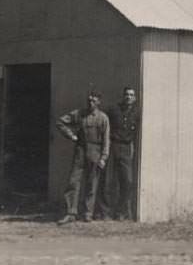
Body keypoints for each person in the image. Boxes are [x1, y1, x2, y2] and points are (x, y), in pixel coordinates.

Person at [56, 91, 110, 224]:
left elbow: (106, 139)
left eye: (93, 101)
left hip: (95, 151)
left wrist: (103, 157)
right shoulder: (79, 114)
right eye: (89, 100)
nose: (90, 103)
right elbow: (60, 122)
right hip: (81, 150)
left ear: (99, 102)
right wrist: (71, 135)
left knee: (92, 183)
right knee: (73, 181)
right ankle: (71, 212)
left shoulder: (103, 118)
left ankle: (88, 213)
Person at [98, 87, 140, 220]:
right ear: (123, 96)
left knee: (127, 181)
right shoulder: (113, 110)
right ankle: (105, 212)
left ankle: (121, 212)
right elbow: (102, 122)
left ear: (134, 98)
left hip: (127, 147)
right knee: (108, 180)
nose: (128, 97)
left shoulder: (137, 112)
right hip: (113, 145)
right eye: (126, 94)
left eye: (131, 95)